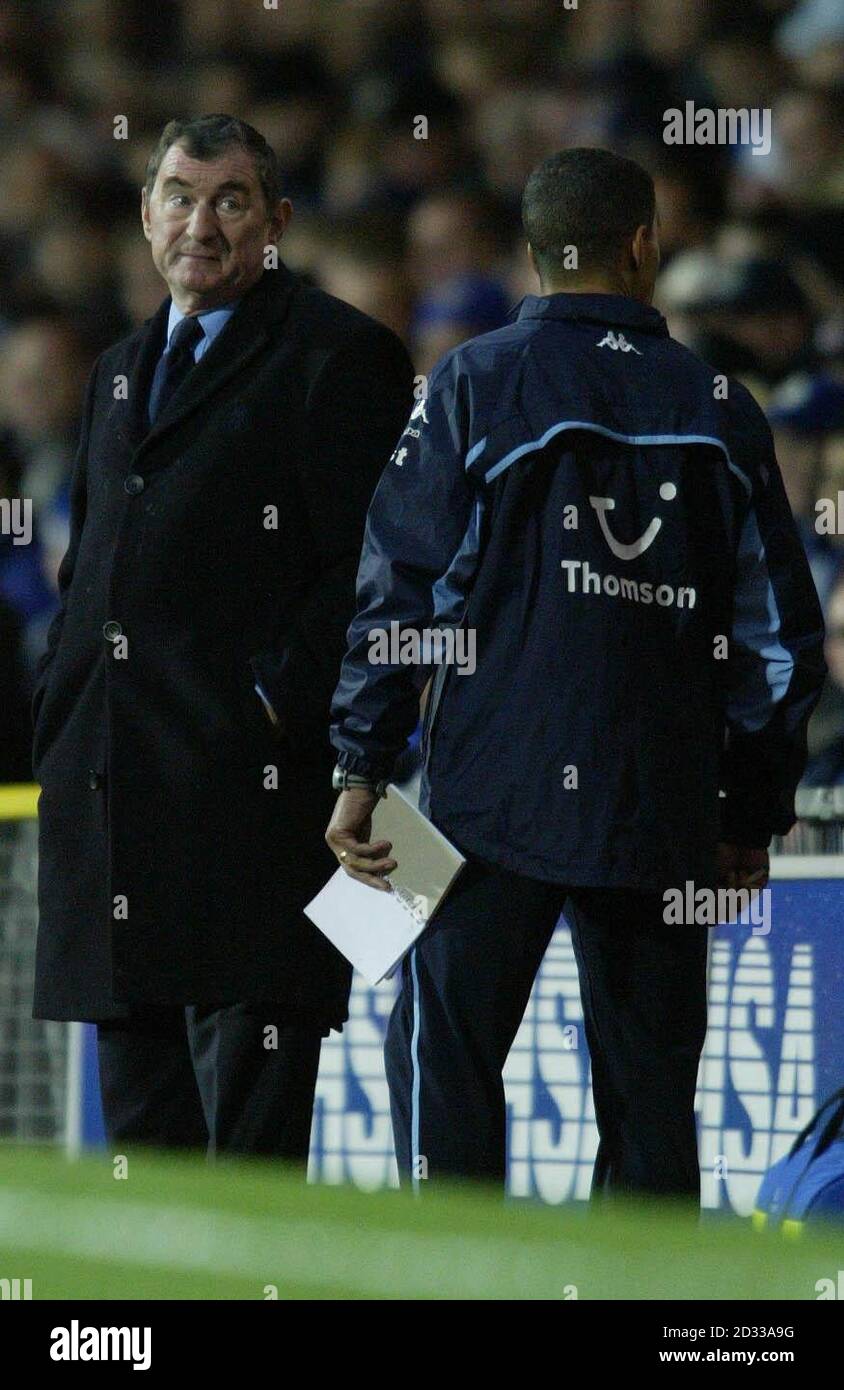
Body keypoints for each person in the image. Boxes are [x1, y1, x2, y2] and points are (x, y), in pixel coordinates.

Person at [326, 148, 826, 1201]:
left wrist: (360, 764)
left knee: (445, 1061)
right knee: (649, 1100)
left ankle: (454, 1293)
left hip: (478, 795)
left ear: (532, 255)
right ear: (643, 245)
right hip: (659, 803)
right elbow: (781, 637)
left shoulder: (471, 380)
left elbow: (398, 587)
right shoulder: (720, 406)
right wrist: (749, 808)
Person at [32, 114, 414, 1159]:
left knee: (249, 1150)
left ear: (277, 221)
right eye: (178, 194)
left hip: (251, 813)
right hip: (115, 799)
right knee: (143, 1152)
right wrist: (58, 709)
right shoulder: (116, 369)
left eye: (230, 200)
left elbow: (374, 571)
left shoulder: (338, 355)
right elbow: (88, 576)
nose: (199, 221)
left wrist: (271, 700)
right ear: (146, 212)